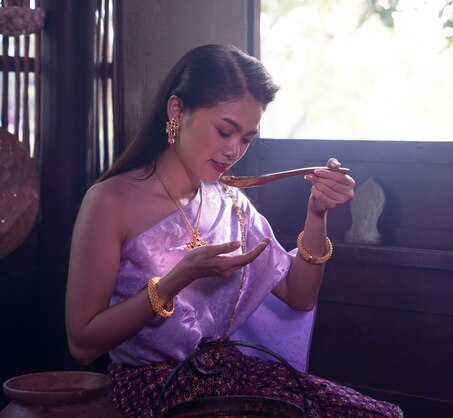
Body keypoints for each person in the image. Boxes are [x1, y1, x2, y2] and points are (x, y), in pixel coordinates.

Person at [65, 43, 403, 417]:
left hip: (228, 377)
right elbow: (82, 343)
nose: (233, 151)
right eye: (225, 131)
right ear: (177, 110)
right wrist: (178, 278)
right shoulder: (110, 201)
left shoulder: (232, 204)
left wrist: (317, 211)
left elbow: (298, 295)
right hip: (151, 391)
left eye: (246, 139)